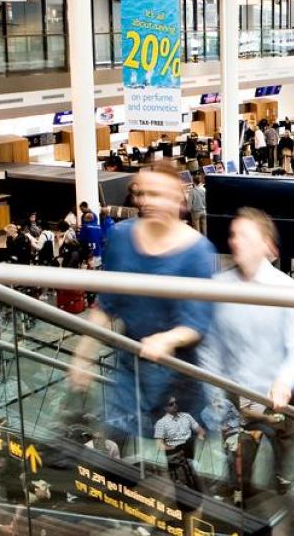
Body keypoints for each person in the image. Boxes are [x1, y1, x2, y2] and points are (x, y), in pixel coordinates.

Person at [69, 162, 217, 442]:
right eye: (144, 194)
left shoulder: (197, 251)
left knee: (178, 459)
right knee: (113, 443)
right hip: (132, 366)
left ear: (178, 199)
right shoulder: (122, 237)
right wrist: (83, 354)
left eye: (158, 194)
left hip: (178, 374)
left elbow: (196, 323)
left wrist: (167, 339)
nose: (148, 201)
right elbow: (107, 304)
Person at [200, 208, 294, 498]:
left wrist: (284, 381)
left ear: (266, 244)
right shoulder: (219, 286)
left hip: (280, 397)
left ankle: (284, 486)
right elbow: (210, 347)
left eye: (245, 236)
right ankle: (242, 495)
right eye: (234, 235)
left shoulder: (285, 288)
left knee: (285, 465)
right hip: (236, 394)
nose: (236, 242)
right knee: (238, 466)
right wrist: (211, 392)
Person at [153, 396, 206, 491]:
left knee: (197, 482)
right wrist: (173, 447)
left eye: (175, 402)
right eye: (171, 404)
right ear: (165, 408)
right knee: (182, 485)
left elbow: (200, 431)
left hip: (190, 451)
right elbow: (159, 445)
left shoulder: (186, 416)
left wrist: (200, 436)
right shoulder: (161, 423)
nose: (175, 405)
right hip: (175, 456)